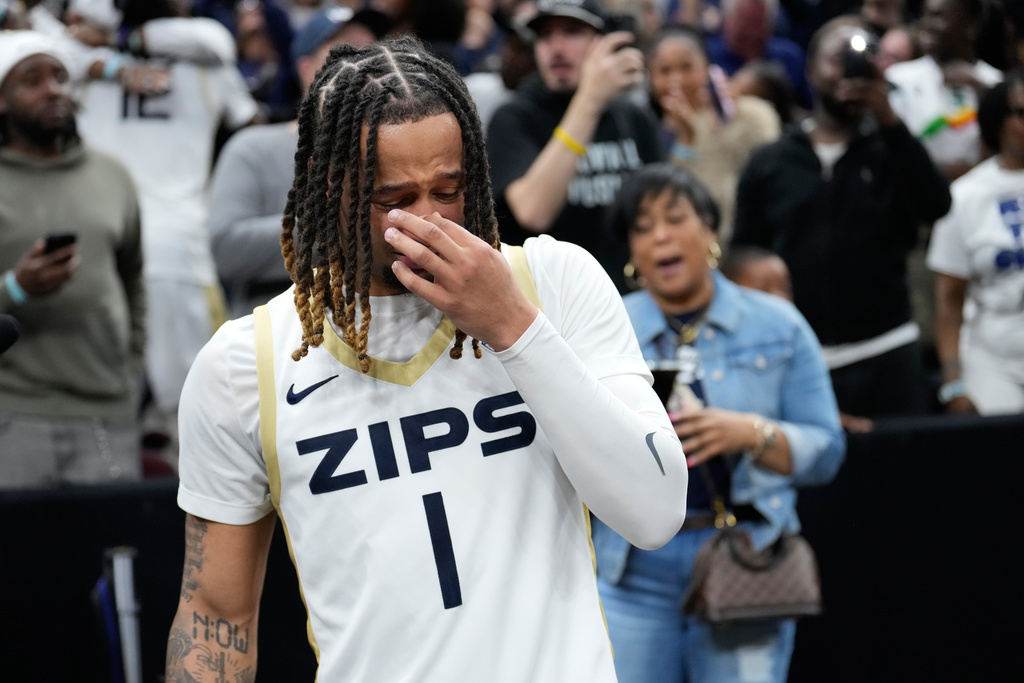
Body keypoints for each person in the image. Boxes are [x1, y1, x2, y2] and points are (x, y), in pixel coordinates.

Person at [165, 35, 688, 682]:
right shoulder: (244, 362)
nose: (432, 218)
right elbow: (217, 614)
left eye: (449, 188)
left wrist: (512, 327)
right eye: (395, 198)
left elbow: (656, 511)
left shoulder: (554, 283)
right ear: (333, 187)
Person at [593, 162, 845, 683]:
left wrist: (754, 433)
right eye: (642, 227)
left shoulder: (779, 325)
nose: (660, 235)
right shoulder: (602, 332)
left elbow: (827, 451)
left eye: (676, 217)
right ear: (632, 254)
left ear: (710, 232)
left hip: (746, 559)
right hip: (631, 569)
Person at [732, 16, 952, 418]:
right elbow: (744, 251)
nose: (850, 70)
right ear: (811, 69)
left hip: (887, 347)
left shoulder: (891, 150)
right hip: (800, 353)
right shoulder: (772, 161)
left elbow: (936, 205)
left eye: (865, 58)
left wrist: (888, 118)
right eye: (839, 58)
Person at [72, 0, 259, 462]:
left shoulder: (81, 61)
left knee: (137, 413)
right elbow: (247, 124)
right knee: (195, 412)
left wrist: (118, 45)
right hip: (171, 250)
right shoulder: (204, 61)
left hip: (107, 245)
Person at [0, 30, 145, 488]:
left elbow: (134, 279)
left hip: (109, 413)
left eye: (61, 77)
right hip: (13, 413)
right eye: (32, 80)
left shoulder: (113, 174)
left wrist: (132, 368)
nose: (53, 89)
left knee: (115, 558)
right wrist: (16, 289)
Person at [210, 4, 391, 318]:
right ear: (307, 68)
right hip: (278, 340)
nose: (364, 68)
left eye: (374, 56)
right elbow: (226, 249)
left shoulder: (394, 151)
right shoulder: (254, 148)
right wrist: (335, 223)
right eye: (346, 54)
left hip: (379, 335)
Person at [486, 0, 663, 291]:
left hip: (630, 295)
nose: (555, 48)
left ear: (603, 41)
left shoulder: (632, 116)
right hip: (553, 303)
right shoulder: (515, 117)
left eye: (571, 32)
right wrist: (589, 101)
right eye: (544, 36)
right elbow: (533, 212)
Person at [927, 72, 1024, 415]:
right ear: (998, 120)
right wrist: (953, 379)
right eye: (1021, 113)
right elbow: (949, 300)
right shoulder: (965, 197)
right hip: (994, 356)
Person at [647, 25, 780, 243]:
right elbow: (668, 204)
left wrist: (738, 121)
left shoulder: (747, 114)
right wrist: (686, 140)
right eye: (664, 71)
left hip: (747, 243)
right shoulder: (648, 131)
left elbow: (771, 170)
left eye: (686, 67)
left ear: (707, 68)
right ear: (650, 78)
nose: (676, 79)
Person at [886, 0, 1002, 181]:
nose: (926, 24)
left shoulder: (996, 83)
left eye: (938, 16)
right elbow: (893, 156)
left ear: (971, 26)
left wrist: (984, 92)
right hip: (919, 199)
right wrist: (967, 173)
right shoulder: (898, 79)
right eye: (924, 15)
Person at [704, 0, 813, 109]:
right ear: (726, 19)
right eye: (746, 23)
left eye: (759, 24)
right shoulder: (706, 56)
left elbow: (811, 108)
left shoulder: (790, 57)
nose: (753, 33)